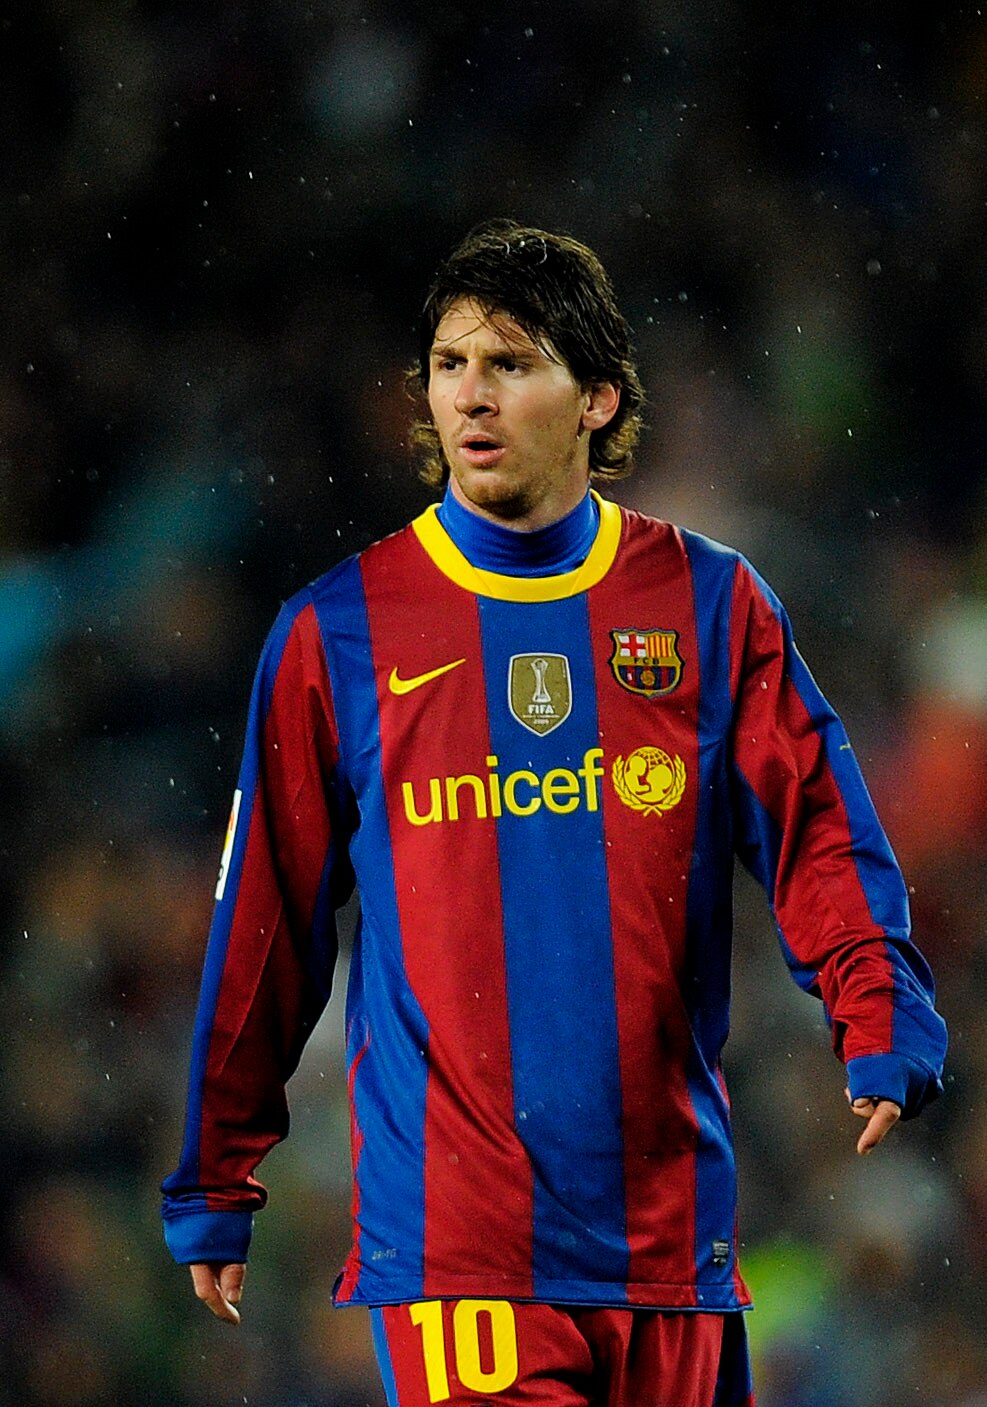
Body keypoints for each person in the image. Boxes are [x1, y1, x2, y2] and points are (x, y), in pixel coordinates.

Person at [162, 219, 948, 1407]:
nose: (470, 396)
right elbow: (266, 918)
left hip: (673, 1243)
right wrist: (217, 1168)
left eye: (511, 364)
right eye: (449, 364)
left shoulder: (710, 602)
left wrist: (877, 1001)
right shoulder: (338, 630)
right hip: (461, 1253)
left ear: (597, 399)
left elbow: (818, 831)